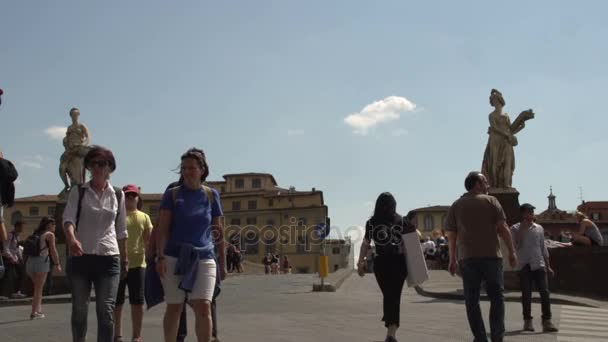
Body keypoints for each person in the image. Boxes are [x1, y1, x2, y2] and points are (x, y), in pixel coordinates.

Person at [156, 148, 226, 342]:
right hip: (173, 257)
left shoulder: (211, 195)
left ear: (202, 170)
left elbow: (218, 231)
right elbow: (162, 228)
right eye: (184, 168)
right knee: (175, 306)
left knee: (204, 305)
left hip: (204, 257)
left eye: (191, 168)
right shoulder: (172, 194)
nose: (187, 171)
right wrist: (160, 256)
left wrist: (223, 262)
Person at [63, 145, 128, 342]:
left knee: (106, 310)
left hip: (109, 258)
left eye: (103, 163)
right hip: (81, 257)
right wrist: (72, 239)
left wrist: (125, 259)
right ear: (89, 167)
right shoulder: (78, 191)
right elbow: (68, 220)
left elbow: (121, 230)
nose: (98, 167)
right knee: (80, 310)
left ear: (110, 167)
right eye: (94, 163)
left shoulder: (118, 194)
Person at [445, 171, 517, 342]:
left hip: (467, 258)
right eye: (485, 181)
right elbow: (503, 228)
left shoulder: (456, 205)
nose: (488, 185)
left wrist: (452, 259)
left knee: (472, 300)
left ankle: (480, 337)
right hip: (492, 256)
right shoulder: (491, 201)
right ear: (477, 184)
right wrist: (512, 252)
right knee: (497, 297)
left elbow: (452, 235)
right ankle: (497, 336)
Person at [357, 192, 413, 342]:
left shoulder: (372, 222)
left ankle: (391, 330)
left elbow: (365, 243)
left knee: (389, 295)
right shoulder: (402, 221)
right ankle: (391, 331)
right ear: (394, 204)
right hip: (399, 263)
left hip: (381, 264)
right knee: (393, 296)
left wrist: (360, 261)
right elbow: (414, 240)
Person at [510, 203, 558, 333]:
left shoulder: (539, 228)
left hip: (539, 264)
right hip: (524, 265)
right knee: (526, 294)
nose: (530, 215)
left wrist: (549, 266)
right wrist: (523, 229)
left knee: (545, 293)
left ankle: (547, 321)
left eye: (532, 212)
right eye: (528, 212)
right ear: (522, 214)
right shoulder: (514, 228)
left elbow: (543, 248)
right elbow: (516, 245)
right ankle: (528, 321)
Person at [114, 184, 153, 342]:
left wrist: (152, 260)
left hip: (138, 265)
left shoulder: (144, 217)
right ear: (122, 198)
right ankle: (118, 334)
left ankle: (137, 335)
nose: (130, 198)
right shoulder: (116, 216)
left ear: (138, 198)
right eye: (127, 196)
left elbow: (148, 241)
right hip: (117, 263)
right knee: (117, 302)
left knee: (137, 302)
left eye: (133, 196)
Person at [25, 216, 61, 319]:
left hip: (30, 262)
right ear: (48, 225)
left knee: (37, 288)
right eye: (53, 224)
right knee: (38, 289)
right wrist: (57, 264)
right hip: (41, 262)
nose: (55, 226)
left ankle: (38, 310)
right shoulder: (50, 235)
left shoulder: (35, 233)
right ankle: (33, 313)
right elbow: (53, 251)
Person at [2, 221, 26, 298]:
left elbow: (17, 249)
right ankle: (4, 293)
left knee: (21, 274)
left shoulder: (17, 236)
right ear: (17, 227)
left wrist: (20, 258)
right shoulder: (10, 235)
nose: (22, 228)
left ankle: (17, 292)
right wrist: (11, 257)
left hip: (15, 259)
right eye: (21, 227)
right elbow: (6, 248)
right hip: (8, 259)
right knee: (7, 276)